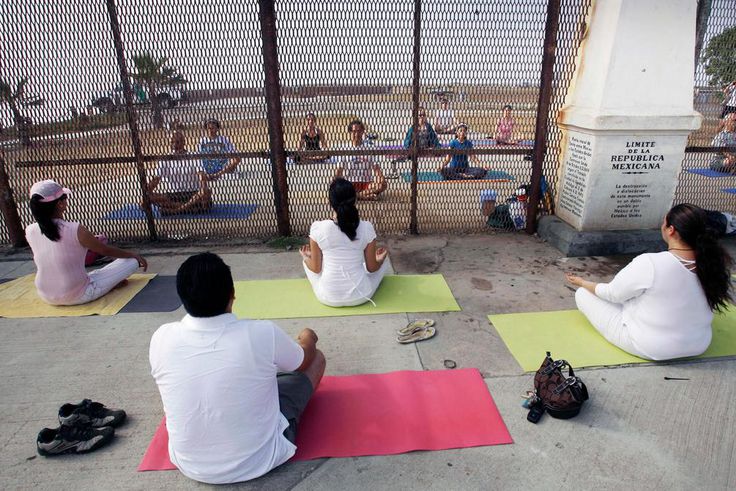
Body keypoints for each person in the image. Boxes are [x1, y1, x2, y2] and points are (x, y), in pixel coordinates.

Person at [150, 253, 326, 484]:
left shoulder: (162, 337)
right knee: (317, 360)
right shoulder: (262, 332)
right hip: (261, 459)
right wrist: (309, 338)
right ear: (232, 294)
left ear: (182, 297)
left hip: (189, 463)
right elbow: (302, 361)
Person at [566, 203, 733, 361]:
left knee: (584, 295)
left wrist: (582, 283)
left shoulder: (650, 263)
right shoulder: (714, 263)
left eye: (664, 222)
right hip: (699, 344)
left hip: (650, 347)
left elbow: (612, 294)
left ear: (671, 230)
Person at [25, 179, 147, 306]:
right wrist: (133, 255)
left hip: (45, 295)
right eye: (65, 199)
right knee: (132, 262)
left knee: (93, 274)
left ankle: (107, 282)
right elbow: (105, 250)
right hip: (78, 294)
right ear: (60, 204)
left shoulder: (30, 230)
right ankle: (109, 285)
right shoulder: (74, 229)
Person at [300, 178, 390, 307]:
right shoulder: (366, 227)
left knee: (310, 263)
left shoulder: (318, 228)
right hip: (361, 296)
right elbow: (372, 268)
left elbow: (316, 269)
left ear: (330, 201)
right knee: (383, 262)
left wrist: (306, 257)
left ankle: (309, 258)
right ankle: (378, 259)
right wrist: (380, 259)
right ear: (355, 199)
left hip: (328, 297)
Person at [144, 131, 212, 215]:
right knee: (148, 197)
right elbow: (156, 179)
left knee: (206, 192)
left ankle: (175, 210)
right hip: (174, 195)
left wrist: (203, 187)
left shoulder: (193, 155)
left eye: (177, 142)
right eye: (172, 142)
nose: (174, 145)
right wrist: (146, 193)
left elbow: (201, 174)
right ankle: (189, 208)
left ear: (184, 142)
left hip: (193, 193)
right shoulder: (165, 159)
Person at [335, 119, 386, 200]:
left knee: (382, 185)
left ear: (363, 132)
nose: (357, 134)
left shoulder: (370, 148)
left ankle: (357, 196)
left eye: (359, 131)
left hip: (366, 184)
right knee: (336, 188)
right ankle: (363, 196)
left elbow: (376, 169)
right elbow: (339, 171)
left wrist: (381, 179)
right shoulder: (344, 148)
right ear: (350, 132)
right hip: (350, 184)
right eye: (354, 131)